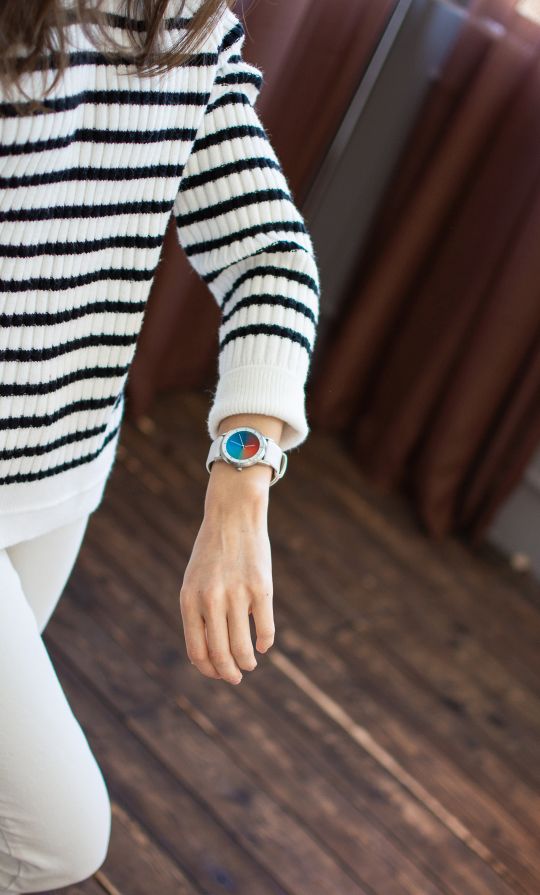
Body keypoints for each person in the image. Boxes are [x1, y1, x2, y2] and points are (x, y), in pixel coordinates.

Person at [0, 0, 320, 889]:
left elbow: (268, 257)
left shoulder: (183, 21)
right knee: (60, 837)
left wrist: (240, 483)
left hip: (61, 473)